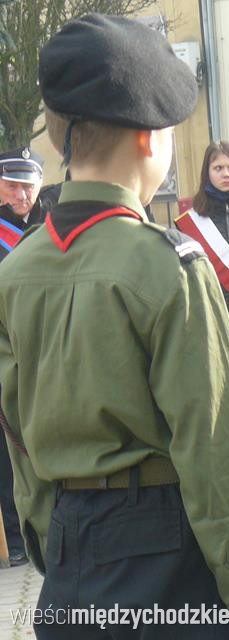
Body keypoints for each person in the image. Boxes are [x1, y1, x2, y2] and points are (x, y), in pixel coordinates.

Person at [0, 13, 229, 638]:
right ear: (149, 139)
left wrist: (56, 541)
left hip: (71, 558)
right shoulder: (169, 267)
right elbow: (219, 459)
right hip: (167, 558)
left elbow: (18, 438)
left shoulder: (14, 271)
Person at [0, 147, 43, 569]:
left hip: (47, 353)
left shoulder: (51, 226)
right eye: (12, 185)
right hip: (5, 355)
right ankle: (17, 539)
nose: (20, 194)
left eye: (27, 185)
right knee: (7, 453)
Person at [176, 141, 229, 321]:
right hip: (214, 317)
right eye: (218, 168)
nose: (226, 174)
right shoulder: (191, 223)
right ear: (207, 172)